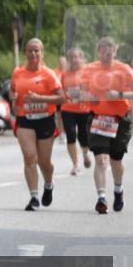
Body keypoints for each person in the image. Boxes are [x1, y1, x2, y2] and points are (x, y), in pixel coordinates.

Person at [9, 38, 64, 211]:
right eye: (30, 50)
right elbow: (12, 89)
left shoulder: (48, 74)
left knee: (44, 162)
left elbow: (62, 97)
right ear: (26, 53)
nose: (33, 54)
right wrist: (12, 98)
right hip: (25, 119)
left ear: (42, 53)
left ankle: (48, 184)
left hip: (45, 120)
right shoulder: (18, 72)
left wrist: (40, 98)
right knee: (30, 157)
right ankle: (34, 197)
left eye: (36, 51)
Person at [83, 37, 133, 214]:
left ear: (115, 52)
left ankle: (118, 190)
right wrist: (88, 96)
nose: (107, 55)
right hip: (98, 118)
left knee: (116, 160)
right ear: (98, 52)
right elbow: (78, 92)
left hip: (120, 120)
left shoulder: (124, 70)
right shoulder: (89, 69)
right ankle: (101, 198)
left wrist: (119, 94)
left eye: (110, 52)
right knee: (101, 159)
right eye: (103, 52)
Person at [59, 47, 93, 175]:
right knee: (71, 135)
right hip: (68, 109)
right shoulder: (64, 74)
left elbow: (94, 90)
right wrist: (65, 95)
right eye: (71, 57)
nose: (74, 60)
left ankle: (85, 153)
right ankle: (75, 165)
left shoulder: (88, 72)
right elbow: (61, 91)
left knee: (83, 136)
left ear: (81, 58)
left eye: (76, 57)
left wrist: (84, 95)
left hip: (84, 109)